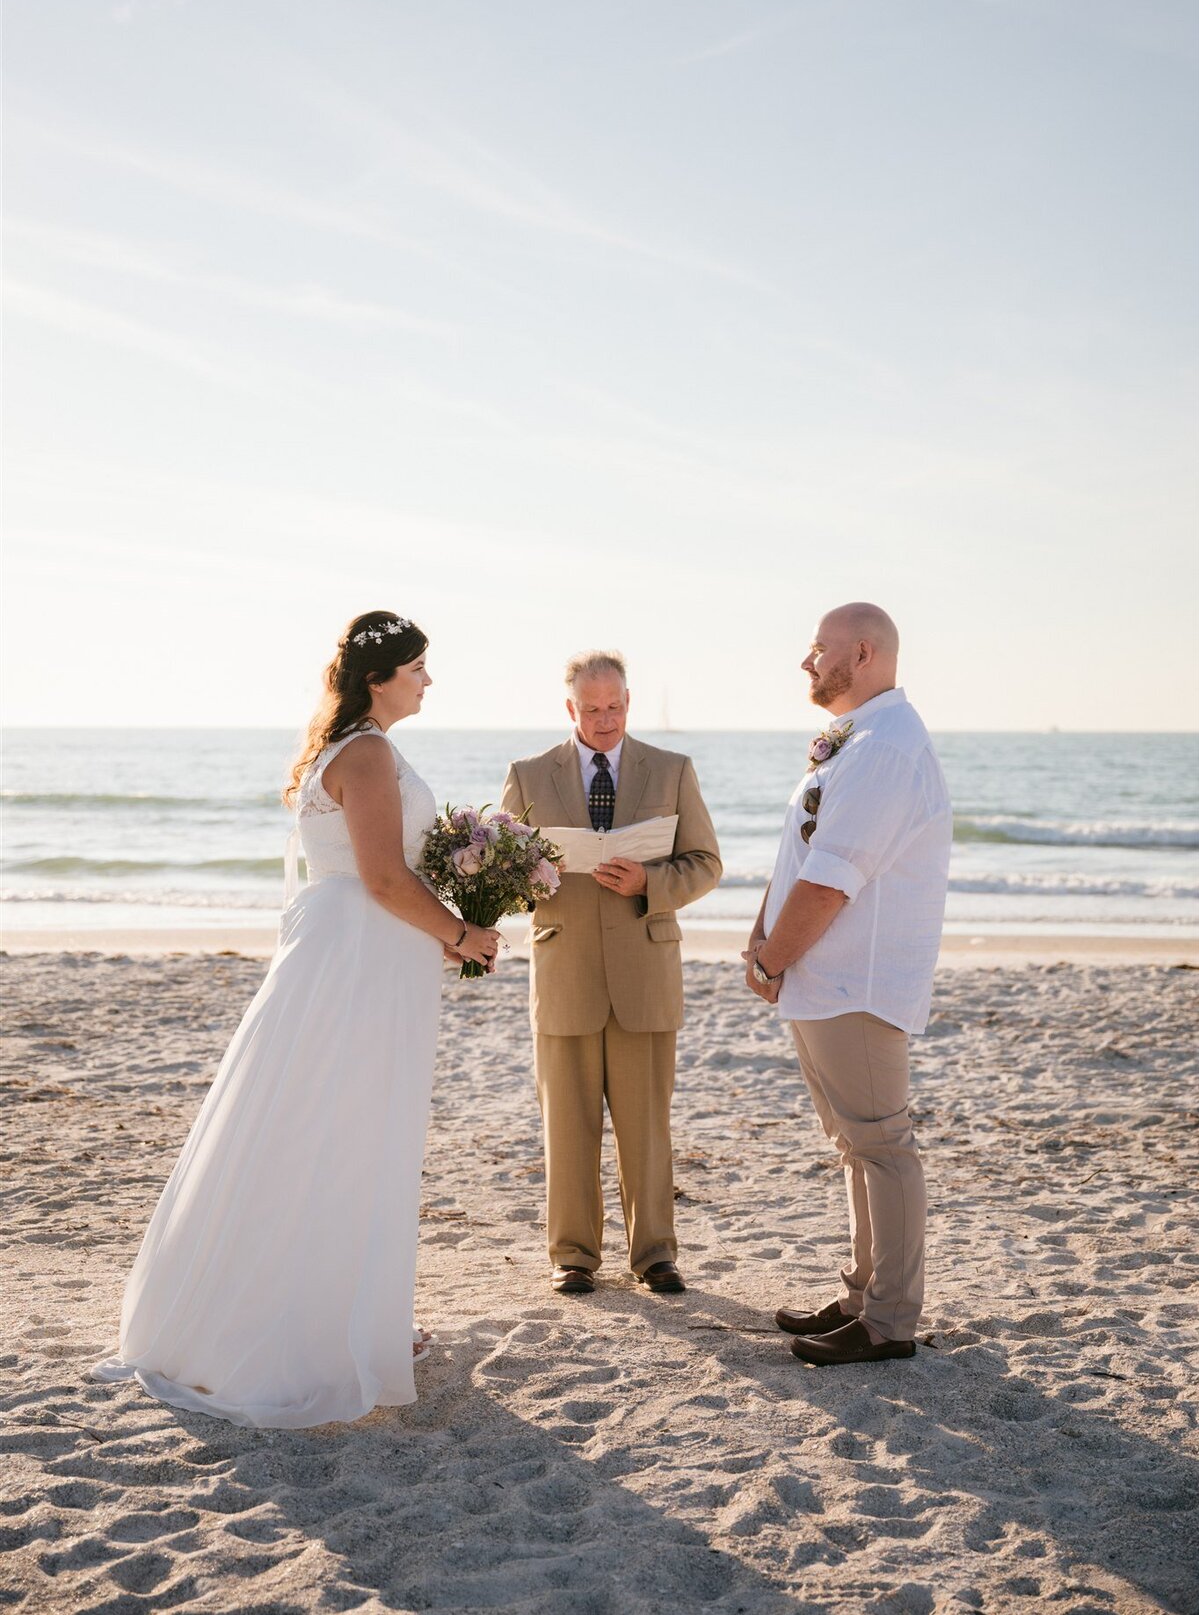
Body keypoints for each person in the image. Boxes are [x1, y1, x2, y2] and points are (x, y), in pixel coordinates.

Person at [91, 611, 499, 1427]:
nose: (429, 680)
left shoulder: (346, 745)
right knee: (350, 1131)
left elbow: (371, 875)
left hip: (349, 953)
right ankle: (329, 1331)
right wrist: (462, 934)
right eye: (419, 667)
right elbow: (383, 878)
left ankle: (352, 1311)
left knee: (323, 1128)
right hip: (358, 960)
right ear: (381, 677)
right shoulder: (372, 752)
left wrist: (444, 930)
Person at [744, 603, 951, 1366]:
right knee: (854, 1146)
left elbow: (833, 881)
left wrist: (773, 957)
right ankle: (863, 1294)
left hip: (856, 980)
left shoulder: (887, 749)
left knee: (883, 1146)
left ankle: (889, 1323)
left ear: (861, 653)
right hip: (822, 976)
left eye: (818, 648)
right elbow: (805, 852)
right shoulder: (858, 741)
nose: (806, 661)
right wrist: (762, 938)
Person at [500, 650, 721, 1296]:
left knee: (647, 1126)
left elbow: (706, 863)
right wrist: (530, 877)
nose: (605, 720)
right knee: (566, 1126)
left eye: (616, 707)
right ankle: (573, 1256)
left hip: (644, 975)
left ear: (630, 701)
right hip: (565, 971)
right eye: (592, 709)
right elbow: (502, 881)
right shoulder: (529, 774)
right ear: (571, 709)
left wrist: (650, 880)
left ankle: (656, 1254)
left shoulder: (673, 770)